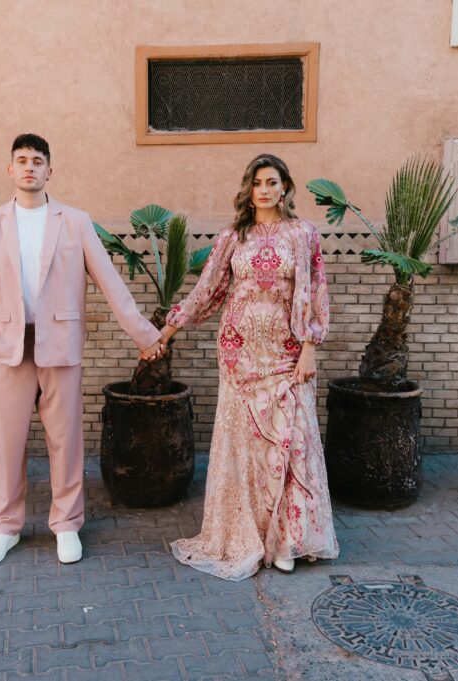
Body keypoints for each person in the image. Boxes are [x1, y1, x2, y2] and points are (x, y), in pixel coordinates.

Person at [0, 133, 163, 567]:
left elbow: (110, 281)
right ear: (10, 170)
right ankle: (4, 527)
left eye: (38, 160)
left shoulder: (75, 221)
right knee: (9, 442)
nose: (30, 167)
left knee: (66, 440)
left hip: (60, 346)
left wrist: (145, 335)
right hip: (9, 347)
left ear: (50, 169)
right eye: (22, 160)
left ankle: (67, 524)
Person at [156, 153, 339, 581]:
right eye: (257, 182)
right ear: (249, 188)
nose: (264, 189)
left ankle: (287, 540)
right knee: (247, 447)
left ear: (285, 187)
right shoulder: (233, 237)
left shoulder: (303, 234)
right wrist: (167, 331)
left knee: (290, 441)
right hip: (240, 354)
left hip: (286, 351)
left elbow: (315, 293)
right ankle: (250, 536)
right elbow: (207, 291)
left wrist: (311, 348)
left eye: (272, 182)